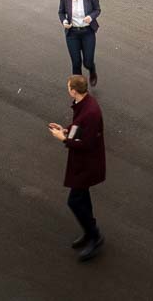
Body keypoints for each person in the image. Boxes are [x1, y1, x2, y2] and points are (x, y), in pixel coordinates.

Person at [49, 75, 106, 262]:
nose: (68, 90)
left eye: (68, 87)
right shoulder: (86, 104)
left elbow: (86, 143)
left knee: (74, 201)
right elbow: (79, 127)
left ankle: (94, 235)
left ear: (74, 90)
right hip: (84, 164)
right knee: (83, 197)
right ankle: (90, 231)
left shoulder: (90, 112)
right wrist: (65, 130)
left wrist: (63, 139)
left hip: (86, 165)